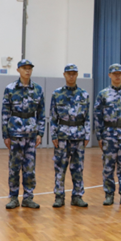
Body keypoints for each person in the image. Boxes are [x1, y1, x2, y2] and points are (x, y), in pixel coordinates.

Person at [2, 59, 45, 209]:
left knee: (29, 168)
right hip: (15, 133)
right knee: (14, 167)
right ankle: (13, 198)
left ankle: (28, 197)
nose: (27, 71)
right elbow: (5, 112)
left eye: (29, 68)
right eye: (24, 68)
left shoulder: (38, 89)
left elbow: (41, 113)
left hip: (31, 134)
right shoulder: (10, 88)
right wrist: (5, 135)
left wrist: (40, 132)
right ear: (18, 70)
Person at [94, 63, 121, 206]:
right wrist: (99, 136)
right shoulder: (103, 94)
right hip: (109, 135)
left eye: (119, 73)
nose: (117, 75)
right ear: (110, 75)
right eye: (114, 73)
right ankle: (109, 194)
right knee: (108, 166)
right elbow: (97, 116)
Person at [50, 64, 90, 208]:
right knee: (60, 167)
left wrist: (87, 134)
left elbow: (87, 117)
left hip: (79, 135)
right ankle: (59, 196)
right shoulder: (57, 94)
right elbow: (53, 117)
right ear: (64, 75)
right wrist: (53, 135)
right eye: (69, 73)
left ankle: (77, 196)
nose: (71, 76)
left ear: (77, 74)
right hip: (62, 136)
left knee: (78, 168)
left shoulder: (84, 94)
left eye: (74, 73)